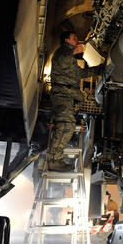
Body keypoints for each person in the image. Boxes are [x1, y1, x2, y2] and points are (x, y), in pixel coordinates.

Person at [46, 31, 102, 171]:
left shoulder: (66, 54)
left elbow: (77, 73)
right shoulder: (64, 53)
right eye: (74, 38)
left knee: (67, 124)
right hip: (63, 94)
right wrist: (99, 69)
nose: (77, 40)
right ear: (67, 40)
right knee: (66, 125)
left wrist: (97, 69)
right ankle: (54, 160)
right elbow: (78, 73)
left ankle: (55, 158)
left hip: (66, 94)